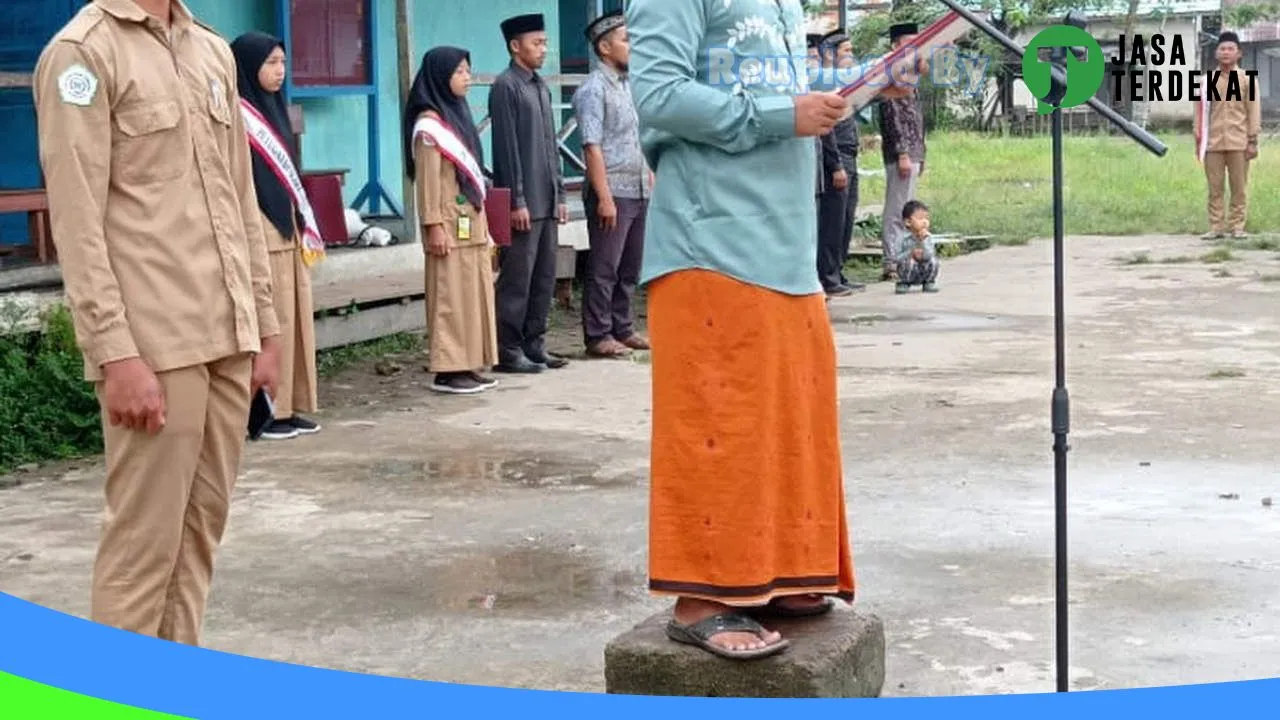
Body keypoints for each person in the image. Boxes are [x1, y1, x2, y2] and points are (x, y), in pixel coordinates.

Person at [627, 0, 916, 660]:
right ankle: (703, 597)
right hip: (713, 237)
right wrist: (781, 117)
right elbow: (661, 95)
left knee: (792, 414)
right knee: (718, 419)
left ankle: (777, 573)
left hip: (787, 238)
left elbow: (786, 91)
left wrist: (873, 79)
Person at [33, 0, 281, 646]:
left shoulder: (209, 49)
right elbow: (78, 222)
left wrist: (266, 323)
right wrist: (115, 352)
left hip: (226, 331)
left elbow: (239, 196)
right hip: (153, 344)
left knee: (197, 539)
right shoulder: (82, 54)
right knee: (142, 551)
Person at [231, 31, 324, 440]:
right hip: (260, 229)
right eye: (271, 63)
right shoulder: (237, 115)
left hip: (288, 230)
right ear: (249, 66)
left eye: (283, 63)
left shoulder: (275, 110)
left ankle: (287, 405)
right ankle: (263, 409)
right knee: (270, 322)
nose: (279, 71)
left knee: (294, 321)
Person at [403, 47, 501, 395]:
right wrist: (432, 224)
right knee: (450, 297)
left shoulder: (455, 114)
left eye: (468, 71)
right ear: (440, 76)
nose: (467, 78)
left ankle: (469, 361)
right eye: (460, 72)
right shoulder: (430, 126)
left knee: (472, 296)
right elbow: (428, 181)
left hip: (470, 222)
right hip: (447, 222)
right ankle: (448, 368)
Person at [489, 13, 570, 374]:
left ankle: (535, 343)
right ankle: (508, 348)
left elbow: (551, 147)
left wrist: (561, 195)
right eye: (537, 43)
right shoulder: (506, 86)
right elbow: (506, 150)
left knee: (544, 277)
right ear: (515, 46)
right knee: (516, 279)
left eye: (545, 43)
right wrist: (516, 200)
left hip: (548, 200)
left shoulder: (539, 86)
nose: (543, 49)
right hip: (525, 203)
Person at [573, 10, 652, 359]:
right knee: (604, 267)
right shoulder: (593, 89)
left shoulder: (631, 86)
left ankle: (623, 326)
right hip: (612, 190)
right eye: (626, 40)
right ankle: (598, 333)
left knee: (630, 266)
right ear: (605, 48)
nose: (632, 47)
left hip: (638, 188)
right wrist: (604, 197)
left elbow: (641, 136)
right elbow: (592, 145)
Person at [1195, 31, 1261, 240]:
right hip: (1213, 143)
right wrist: (1198, 138)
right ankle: (1215, 227)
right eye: (1222, 49)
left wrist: (1252, 140)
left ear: (1238, 53)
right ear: (1216, 53)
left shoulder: (1246, 80)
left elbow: (1253, 110)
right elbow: (1199, 112)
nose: (1226, 52)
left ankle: (1237, 227)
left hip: (1239, 142)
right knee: (1214, 188)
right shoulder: (1206, 81)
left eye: (1230, 49)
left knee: (1239, 188)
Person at [877, 22, 927, 281]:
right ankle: (891, 262)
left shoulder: (911, 75)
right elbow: (892, 119)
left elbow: (916, 121)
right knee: (897, 209)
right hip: (901, 154)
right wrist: (903, 154)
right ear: (896, 46)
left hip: (914, 151)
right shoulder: (892, 75)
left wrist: (921, 154)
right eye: (909, 42)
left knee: (907, 208)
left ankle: (903, 258)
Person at [820, 29, 865, 296]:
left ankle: (839, 270)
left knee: (847, 218)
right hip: (837, 158)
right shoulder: (825, 85)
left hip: (851, 154)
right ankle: (828, 275)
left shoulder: (845, 85)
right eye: (846, 51)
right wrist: (836, 164)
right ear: (831, 55)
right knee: (833, 221)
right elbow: (827, 130)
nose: (851, 56)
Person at [893, 200, 939, 294]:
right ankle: (904, 283)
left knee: (934, 261)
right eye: (920, 218)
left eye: (926, 218)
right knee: (907, 262)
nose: (925, 222)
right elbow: (896, 257)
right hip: (908, 269)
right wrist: (910, 253)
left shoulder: (928, 236)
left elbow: (930, 253)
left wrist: (923, 242)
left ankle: (928, 281)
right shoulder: (902, 238)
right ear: (908, 222)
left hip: (923, 267)